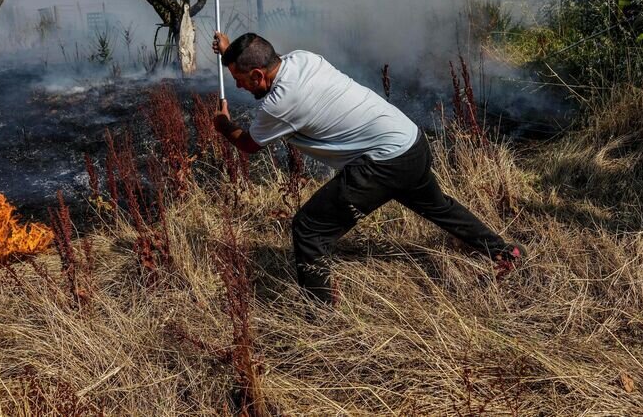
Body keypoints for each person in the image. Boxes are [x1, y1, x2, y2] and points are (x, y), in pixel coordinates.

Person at [210, 31, 522, 304]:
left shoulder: (279, 104)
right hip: (410, 141)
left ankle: (319, 317)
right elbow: (260, 57)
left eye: (240, 80)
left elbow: (249, 144)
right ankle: (504, 250)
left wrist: (223, 124)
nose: (238, 86)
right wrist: (230, 53)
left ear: (257, 75)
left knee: (309, 229)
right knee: (438, 206)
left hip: (384, 162)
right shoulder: (303, 58)